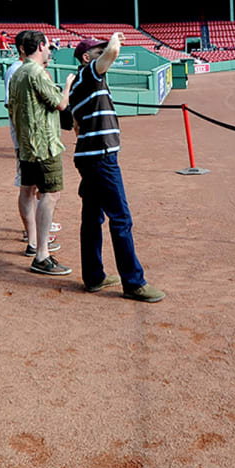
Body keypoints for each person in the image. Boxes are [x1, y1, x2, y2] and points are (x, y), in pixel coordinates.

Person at [69, 35, 163, 302]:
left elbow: (76, 125)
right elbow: (112, 53)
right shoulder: (88, 76)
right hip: (101, 157)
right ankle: (134, 283)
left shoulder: (83, 83)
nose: (103, 54)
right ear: (87, 58)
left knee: (92, 218)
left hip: (89, 156)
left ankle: (94, 277)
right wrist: (112, 40)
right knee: (121, 219)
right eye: (96, 51)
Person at [7, 31, 73, 276]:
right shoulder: (35, 72)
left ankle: (35, 243)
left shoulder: (17, 72)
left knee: (29, 190)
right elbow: (61, 104)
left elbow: (12, 109)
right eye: (48, 47)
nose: (49, 51)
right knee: (50, 194)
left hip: (27, 145)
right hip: (45, 144)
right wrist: (67, 85)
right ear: (41, 46)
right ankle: (42, 254)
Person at [6, 33, 58, 255]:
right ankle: (33, 237)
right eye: (46, 46)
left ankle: (35, 234)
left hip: (30, 138)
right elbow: (13, 108)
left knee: (33, 188)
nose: (49, 51)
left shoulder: (25, 70)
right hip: (29, 140)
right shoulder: (18, 70)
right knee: (31, 189)